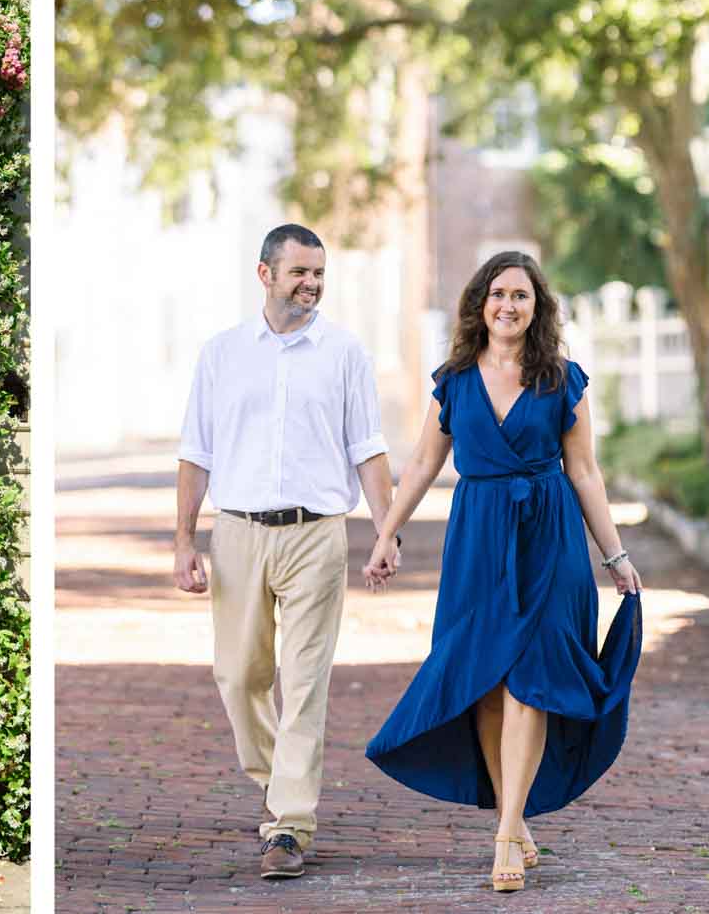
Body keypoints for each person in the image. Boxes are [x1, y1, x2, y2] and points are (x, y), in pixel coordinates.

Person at [362, 251, 643, 893]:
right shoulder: (455, 380)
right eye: (497, 294)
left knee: (531, 684)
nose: (508, 306)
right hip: (479, 543)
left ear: (537, 306)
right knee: (486, 685)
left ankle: (505, 834)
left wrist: (615, 554)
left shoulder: (561, 378)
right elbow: (423, 463)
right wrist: (386, 533)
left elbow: (585, 473)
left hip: (550, 542)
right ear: (479, 305)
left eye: (520, 295)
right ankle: (515, 821)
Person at [174, 223, 397, 879]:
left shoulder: (345, 354)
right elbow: (197, 453)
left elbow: (369, 450)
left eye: (320, 273)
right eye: (300, 272)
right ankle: (281, 789)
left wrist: (386, 531)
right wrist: (184, 541)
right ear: (265, 274)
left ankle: (289, 827)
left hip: (317, 533)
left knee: (303, 684)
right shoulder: (221, 354)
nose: (312, 284)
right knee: (239, 677)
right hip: (238, 532)